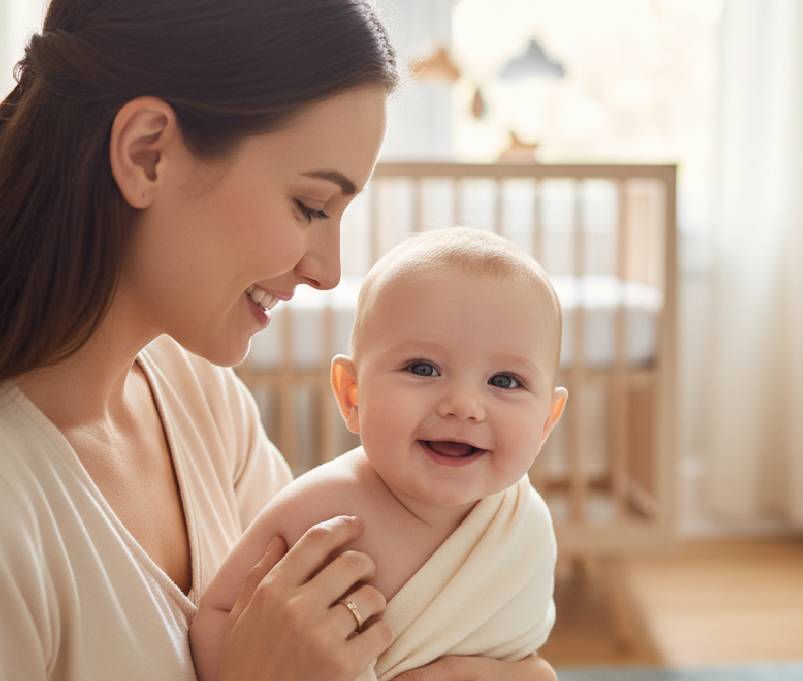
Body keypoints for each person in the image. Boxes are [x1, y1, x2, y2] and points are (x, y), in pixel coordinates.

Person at [0, 1, 558, 679]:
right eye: (311, 207)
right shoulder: (17, 512)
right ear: (148, 153)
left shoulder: (199, 395)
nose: (328, 270)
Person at [191, 228, 569, 681]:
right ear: (352, 395)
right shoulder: (325, 508)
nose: (464, 406)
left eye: (505, 381)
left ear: (547, 421)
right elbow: (217, 612)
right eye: (423, 368)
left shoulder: (521, 523)